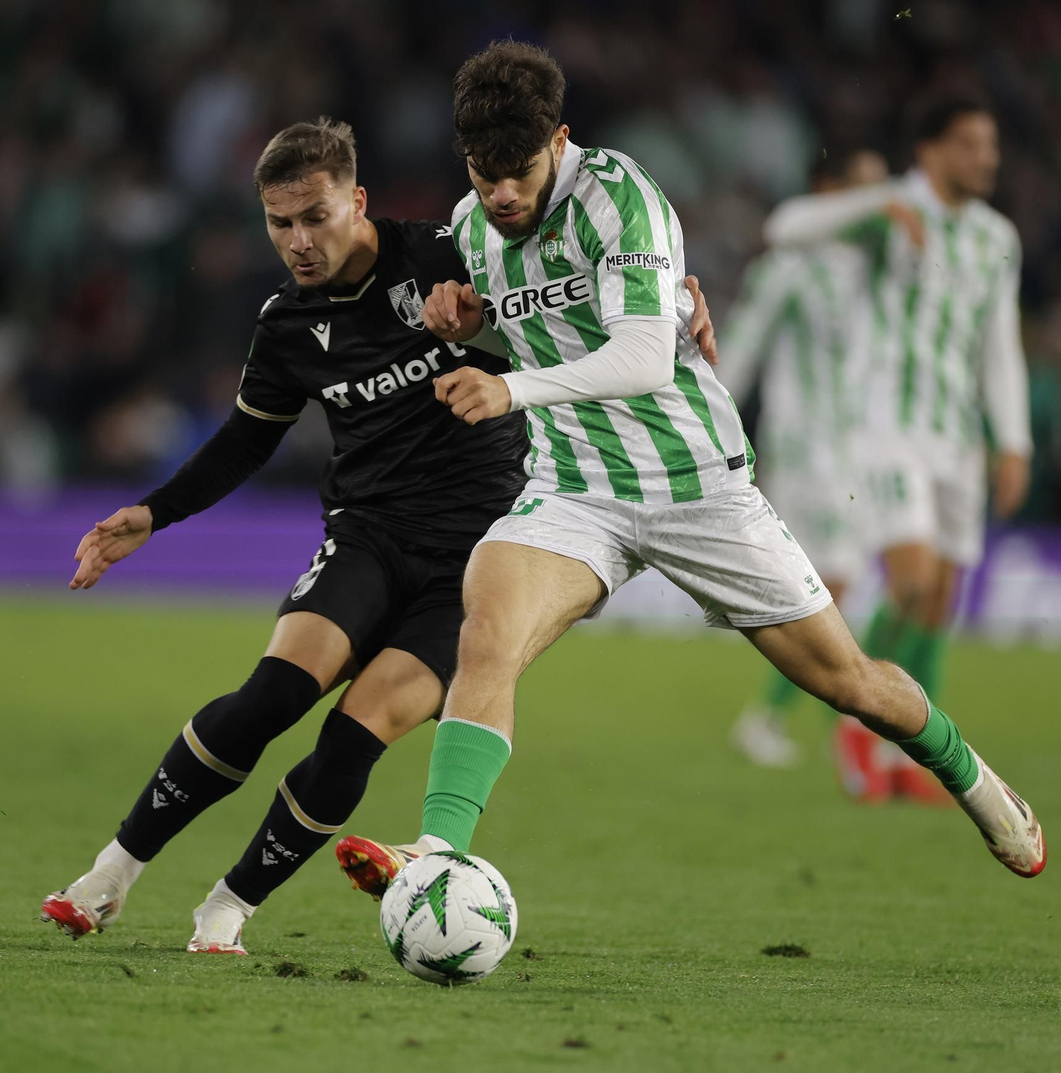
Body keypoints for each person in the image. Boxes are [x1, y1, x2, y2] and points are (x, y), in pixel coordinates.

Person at [335, 43, 1044, 898]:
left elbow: (639, 356)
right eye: (484, 175)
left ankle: (974, 779)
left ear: (559, 140)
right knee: (485, 625)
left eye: (518, 172)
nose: (502, 194)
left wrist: (508, 385)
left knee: (850, 683)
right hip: (576, 487)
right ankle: (438, 851)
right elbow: (531, 326)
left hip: (696, 485)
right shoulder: (477, 226)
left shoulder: (621, 197)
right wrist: (469, 328)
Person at [40, 118, 721, 953]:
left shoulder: (448, 254)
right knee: (273, 697)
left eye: (315, 217)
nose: (299, 241)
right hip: (368, 535)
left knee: (353, 736)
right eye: (279, 223)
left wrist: (683, 298)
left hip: (483, 554)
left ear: (357, 201)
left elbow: (578, 284)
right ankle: (108, 876)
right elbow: (247, 438)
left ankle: (228, 907)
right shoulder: (288, 323)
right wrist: (155, 511)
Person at [760, 94, 1033, 802]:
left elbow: (999, 347)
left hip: (958, 439)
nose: (987, 158)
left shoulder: (996, 238)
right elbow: (784, 227)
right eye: (972, 144)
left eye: (991, 145)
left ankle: (916, 757)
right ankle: (858, 722)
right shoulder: (890, 215)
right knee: (910, 581)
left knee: (939, 600)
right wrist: (875, 203)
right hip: (887, 432)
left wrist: (1014, 440)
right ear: (933, 150)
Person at [719, 148, 889, 771]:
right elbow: (740, 349)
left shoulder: (878, 269)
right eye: (864, 190)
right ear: (832, 192)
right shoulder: (791, 266)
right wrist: (716, 428)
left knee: (832, 585)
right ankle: (807, 720)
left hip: (861, 448)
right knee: (831, 581)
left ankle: (794, 716)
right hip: (805, 444)